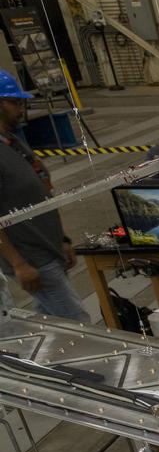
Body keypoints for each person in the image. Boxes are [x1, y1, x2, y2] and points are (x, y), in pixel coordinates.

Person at [0, 69, 90, 322]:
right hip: (32, 257)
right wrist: (18, 264)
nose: (22, 109)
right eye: (16, 103)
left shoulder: (13, 142)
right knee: (78, 323)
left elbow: (42, 192)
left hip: (48, 248)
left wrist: (62, 240)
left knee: (51, 319)